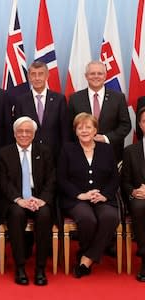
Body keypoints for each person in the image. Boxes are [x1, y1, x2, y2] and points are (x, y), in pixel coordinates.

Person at [58, 112, 119, 278]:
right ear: (75, 131)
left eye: (88, 127)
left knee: (110, 217)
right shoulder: (67, 149)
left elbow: (114, 177)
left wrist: (104, 195)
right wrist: (80, 195)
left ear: (95, 130)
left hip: (102, 198)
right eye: (80, 127)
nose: (84, 130)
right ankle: (90, 253)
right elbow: (61, 179)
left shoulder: (106, 149)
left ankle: (86, 258)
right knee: (87, 218)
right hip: (76, 199)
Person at [0, 116, 55, 286]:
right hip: (15, 200)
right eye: (20, 131)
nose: (24, 134)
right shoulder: (4, 153)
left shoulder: (45, 151)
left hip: (39, 199)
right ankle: (20, 266)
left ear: (34, 134)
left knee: (45, 215)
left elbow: (51, 179)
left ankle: (40, 268)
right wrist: (18, 199)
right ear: (14, 134)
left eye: (28, 131)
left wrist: (43, 199)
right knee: (16, 214)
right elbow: (3, 182)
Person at [68, 60, 131, 161]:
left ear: (105, 76)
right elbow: (70, 127)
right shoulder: (75, 98)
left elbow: (126, 125)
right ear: (86, 76)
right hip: (81, 153)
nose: (96, 76)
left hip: (111, 152)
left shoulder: (118, 98)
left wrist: (106, 138)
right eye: (92, 73)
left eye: (100, 73)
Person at [14, 61, 69, 158]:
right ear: (29, 77)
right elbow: (17, 129)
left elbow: (64, 130)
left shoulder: (59, 99)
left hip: (54, 154)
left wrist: (64, 153)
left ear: (47, 75)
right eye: (33, 74)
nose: (37, 78)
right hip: (29, 153)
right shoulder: (20, 101)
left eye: (40, 74)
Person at [121, 106, 145, 282]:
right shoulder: (130, 151)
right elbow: (125, 181)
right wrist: (133, 191)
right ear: (140, 125)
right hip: (138, 198)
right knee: (138, 206)